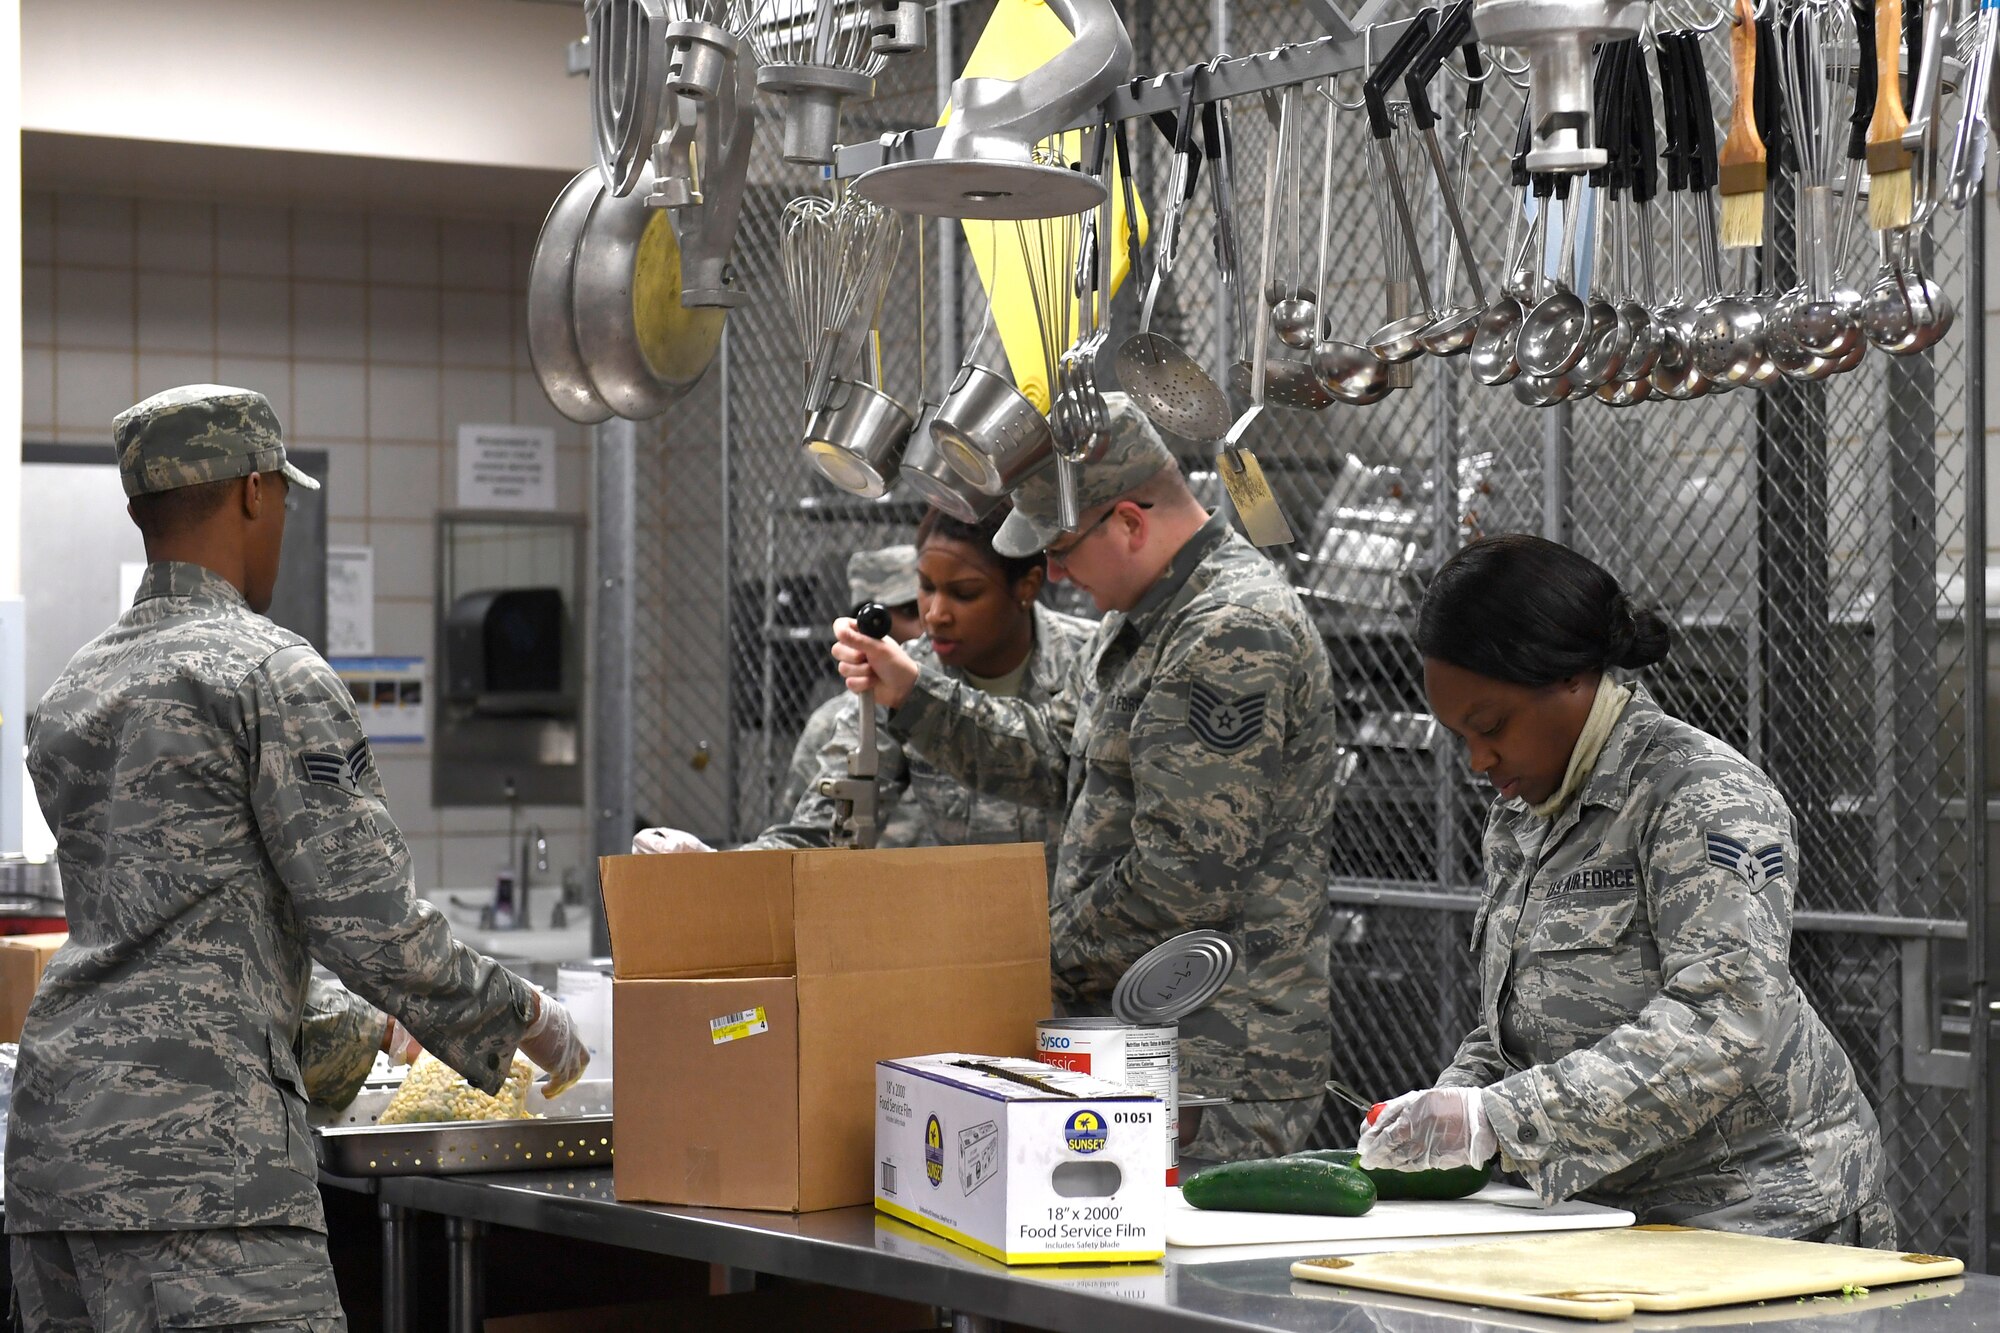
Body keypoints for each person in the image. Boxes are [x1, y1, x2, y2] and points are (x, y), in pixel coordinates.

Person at [10, 385, 590, 1330]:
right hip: (204, 1168)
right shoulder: (271, 674)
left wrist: (350, 1023)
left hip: (56, 1162)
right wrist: (527, 1017)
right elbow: (373, 923)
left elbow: (191, 925)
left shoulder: (72, 694)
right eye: (281, 494)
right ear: (251, 492)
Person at [831, 394, 1340, 1162]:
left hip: (1218, 1058)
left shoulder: (1229, 628)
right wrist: (911, 693)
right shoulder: (1143, 619)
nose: (1058, 572)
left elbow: (1181, 875)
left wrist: (1023, 962)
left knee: (1184, 1274)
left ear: (1130, 522)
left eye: (1063, 547)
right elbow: (1050, 751)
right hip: (1137, 1035)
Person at [1356, 533, 1894, 1246]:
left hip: (1768, 1216)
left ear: (1573, 678)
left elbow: (1726, 1022)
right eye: (1460, 735)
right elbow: (1519, 1022)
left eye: (1490, 726)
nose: (1478, 759)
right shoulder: (1522, 814)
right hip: (1614, 1212)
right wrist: (1451, 1101)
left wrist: (1497, 1119)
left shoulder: (1701, 795)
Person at [747, 504, 1093, 867]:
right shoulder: (900, 676)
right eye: (926, 588)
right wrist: (714, 866)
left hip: (1083, 917)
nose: (935, 614)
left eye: (964, 593)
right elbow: (824, 829)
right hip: (970, 915)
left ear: (1027, 585)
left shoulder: (1093, 661)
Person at [774, 545, 923, 828]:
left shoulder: (969, 707)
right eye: (909, 611)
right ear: (866, 625)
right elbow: (801, 834)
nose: (928, 624)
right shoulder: (831, 724)